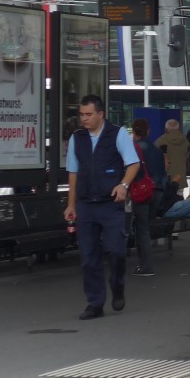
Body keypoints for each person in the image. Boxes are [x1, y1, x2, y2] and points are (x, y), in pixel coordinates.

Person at [64, 95, 140, 320]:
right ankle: (95, 303)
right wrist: (71, 204)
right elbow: (73, 173)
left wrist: (123, 185)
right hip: (86, 205)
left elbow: (133, 163)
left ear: (100, 114)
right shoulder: (77, 139)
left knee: (116, 251)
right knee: (88, 257)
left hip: (110, 204)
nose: (84, 119)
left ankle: (117, 286)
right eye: (81, 115)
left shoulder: (117, 134)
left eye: (88, 115)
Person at [129, 119, 166, 278]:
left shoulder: (134, 148)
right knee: (145, 226)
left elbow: (132, 169)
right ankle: (145, 263)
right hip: (157, 190)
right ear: (148, 131)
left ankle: (145, 266)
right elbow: (163, 170)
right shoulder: (156, 149)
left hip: (142, 190)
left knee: (141, 228)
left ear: (134, 132)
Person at [154, 118, 189, 202]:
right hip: (181, 175)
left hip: (167, 177)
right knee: (180, 197)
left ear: (166, 129)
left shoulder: (160, 141)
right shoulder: (186, 141)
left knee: (168, 201)